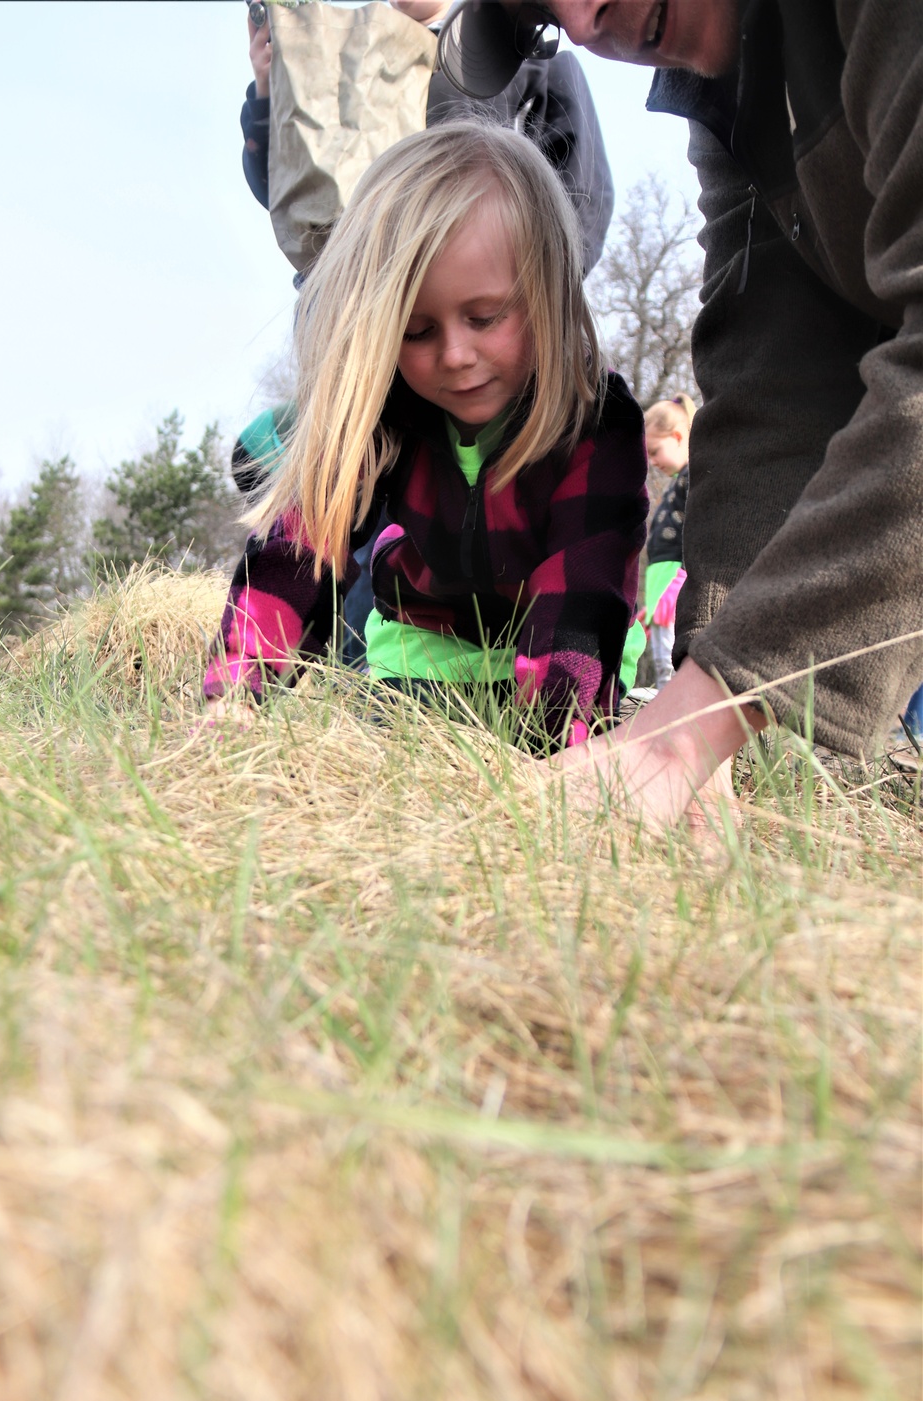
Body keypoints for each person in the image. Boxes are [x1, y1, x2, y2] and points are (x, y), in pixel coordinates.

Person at [436, 0, 923, 827]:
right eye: (544, 16)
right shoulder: (732, 94)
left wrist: (683, 735)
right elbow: (769, 380)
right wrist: (709, 715)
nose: (586, 23)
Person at [203, 122, 648, 745]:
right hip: (412, 671)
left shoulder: (593, 422)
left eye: (485, 317)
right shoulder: (384, 415)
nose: (455, 354)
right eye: (417, 331)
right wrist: (237, 689)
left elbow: (584, 592)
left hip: (552, 674)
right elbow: (299, 553)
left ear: (547, 290)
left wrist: (560, 741)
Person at [241, 0, 615, 277]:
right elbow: (291, 193)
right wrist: (269, 93)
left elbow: (584, 201)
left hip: (489, 302)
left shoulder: (528, 58)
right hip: (356, 307)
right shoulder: (343, 64)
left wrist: (524, 294)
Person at [642, 393, 694, 689]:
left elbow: (695, 536)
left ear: (676, 437)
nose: (651, 462)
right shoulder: (677, 483)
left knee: (670, 662)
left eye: (655, 451)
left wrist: (677, 585)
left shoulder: (693, 478)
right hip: (662, 588)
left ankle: (675, 722)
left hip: (675, 587)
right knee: (663, 660)